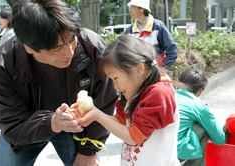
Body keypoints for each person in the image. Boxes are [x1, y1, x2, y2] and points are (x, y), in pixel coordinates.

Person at [0, 0, 118, 166]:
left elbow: (104, 104)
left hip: (77, 128)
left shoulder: (93, 48)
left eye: (72, 40)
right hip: (26, 128)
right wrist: (53, 123)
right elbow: (12, 124)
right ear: (28, 47)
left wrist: (89, 152)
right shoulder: (4, 64)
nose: (69, 53)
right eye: (57, 49)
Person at [76, 35, 180, 166]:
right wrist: (92, 113)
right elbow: (122, 123)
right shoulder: (135, 91)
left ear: (138, 69)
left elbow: (133, 137)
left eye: (115, 78)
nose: (115, 86)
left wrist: (98, 115)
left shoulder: (159, 93)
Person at [176, 69, 225, 166]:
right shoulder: (198, 105)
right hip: (175, 151)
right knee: (203, 127)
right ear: (200, 89)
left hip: (154, 146)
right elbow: (219, 139)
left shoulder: (168, 95)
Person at [125, 0, 178, 73]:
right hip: (136, 76)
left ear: (141, 9)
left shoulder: (158, 26)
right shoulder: (129, 31)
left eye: (132, 7)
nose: (130, 11)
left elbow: (172, 50)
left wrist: (163, 68)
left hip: (155, 75)